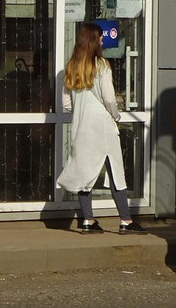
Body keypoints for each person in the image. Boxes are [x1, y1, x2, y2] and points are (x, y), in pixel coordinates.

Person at [56, 22, 145, 235]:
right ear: (94, 40)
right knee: (116, 171)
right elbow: (108, 98)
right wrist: (116, 114)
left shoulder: (71, 66)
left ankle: (88, 220)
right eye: (100, 37)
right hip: (102, 125)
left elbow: (66, 103)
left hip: (81, 126)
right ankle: (125, 220)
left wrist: (81, 110)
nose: (103, 40)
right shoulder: (102, 65)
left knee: (84, 172)